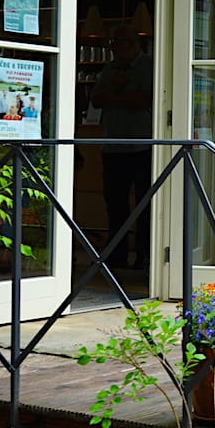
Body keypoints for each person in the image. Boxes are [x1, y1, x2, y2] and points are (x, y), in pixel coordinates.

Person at [89, 25, 153, 268]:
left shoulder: (149, 66)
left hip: (143, 146)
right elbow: (95, 99)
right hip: (113, 147)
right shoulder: (110, 68)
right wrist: (115, 92)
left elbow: (147, 99)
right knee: (114, 204)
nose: (113, 48)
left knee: (145, 205)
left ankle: (145, 256)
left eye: (117, 43)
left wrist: (113, 97)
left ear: (132, 45)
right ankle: (117, 255)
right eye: (112, 44)